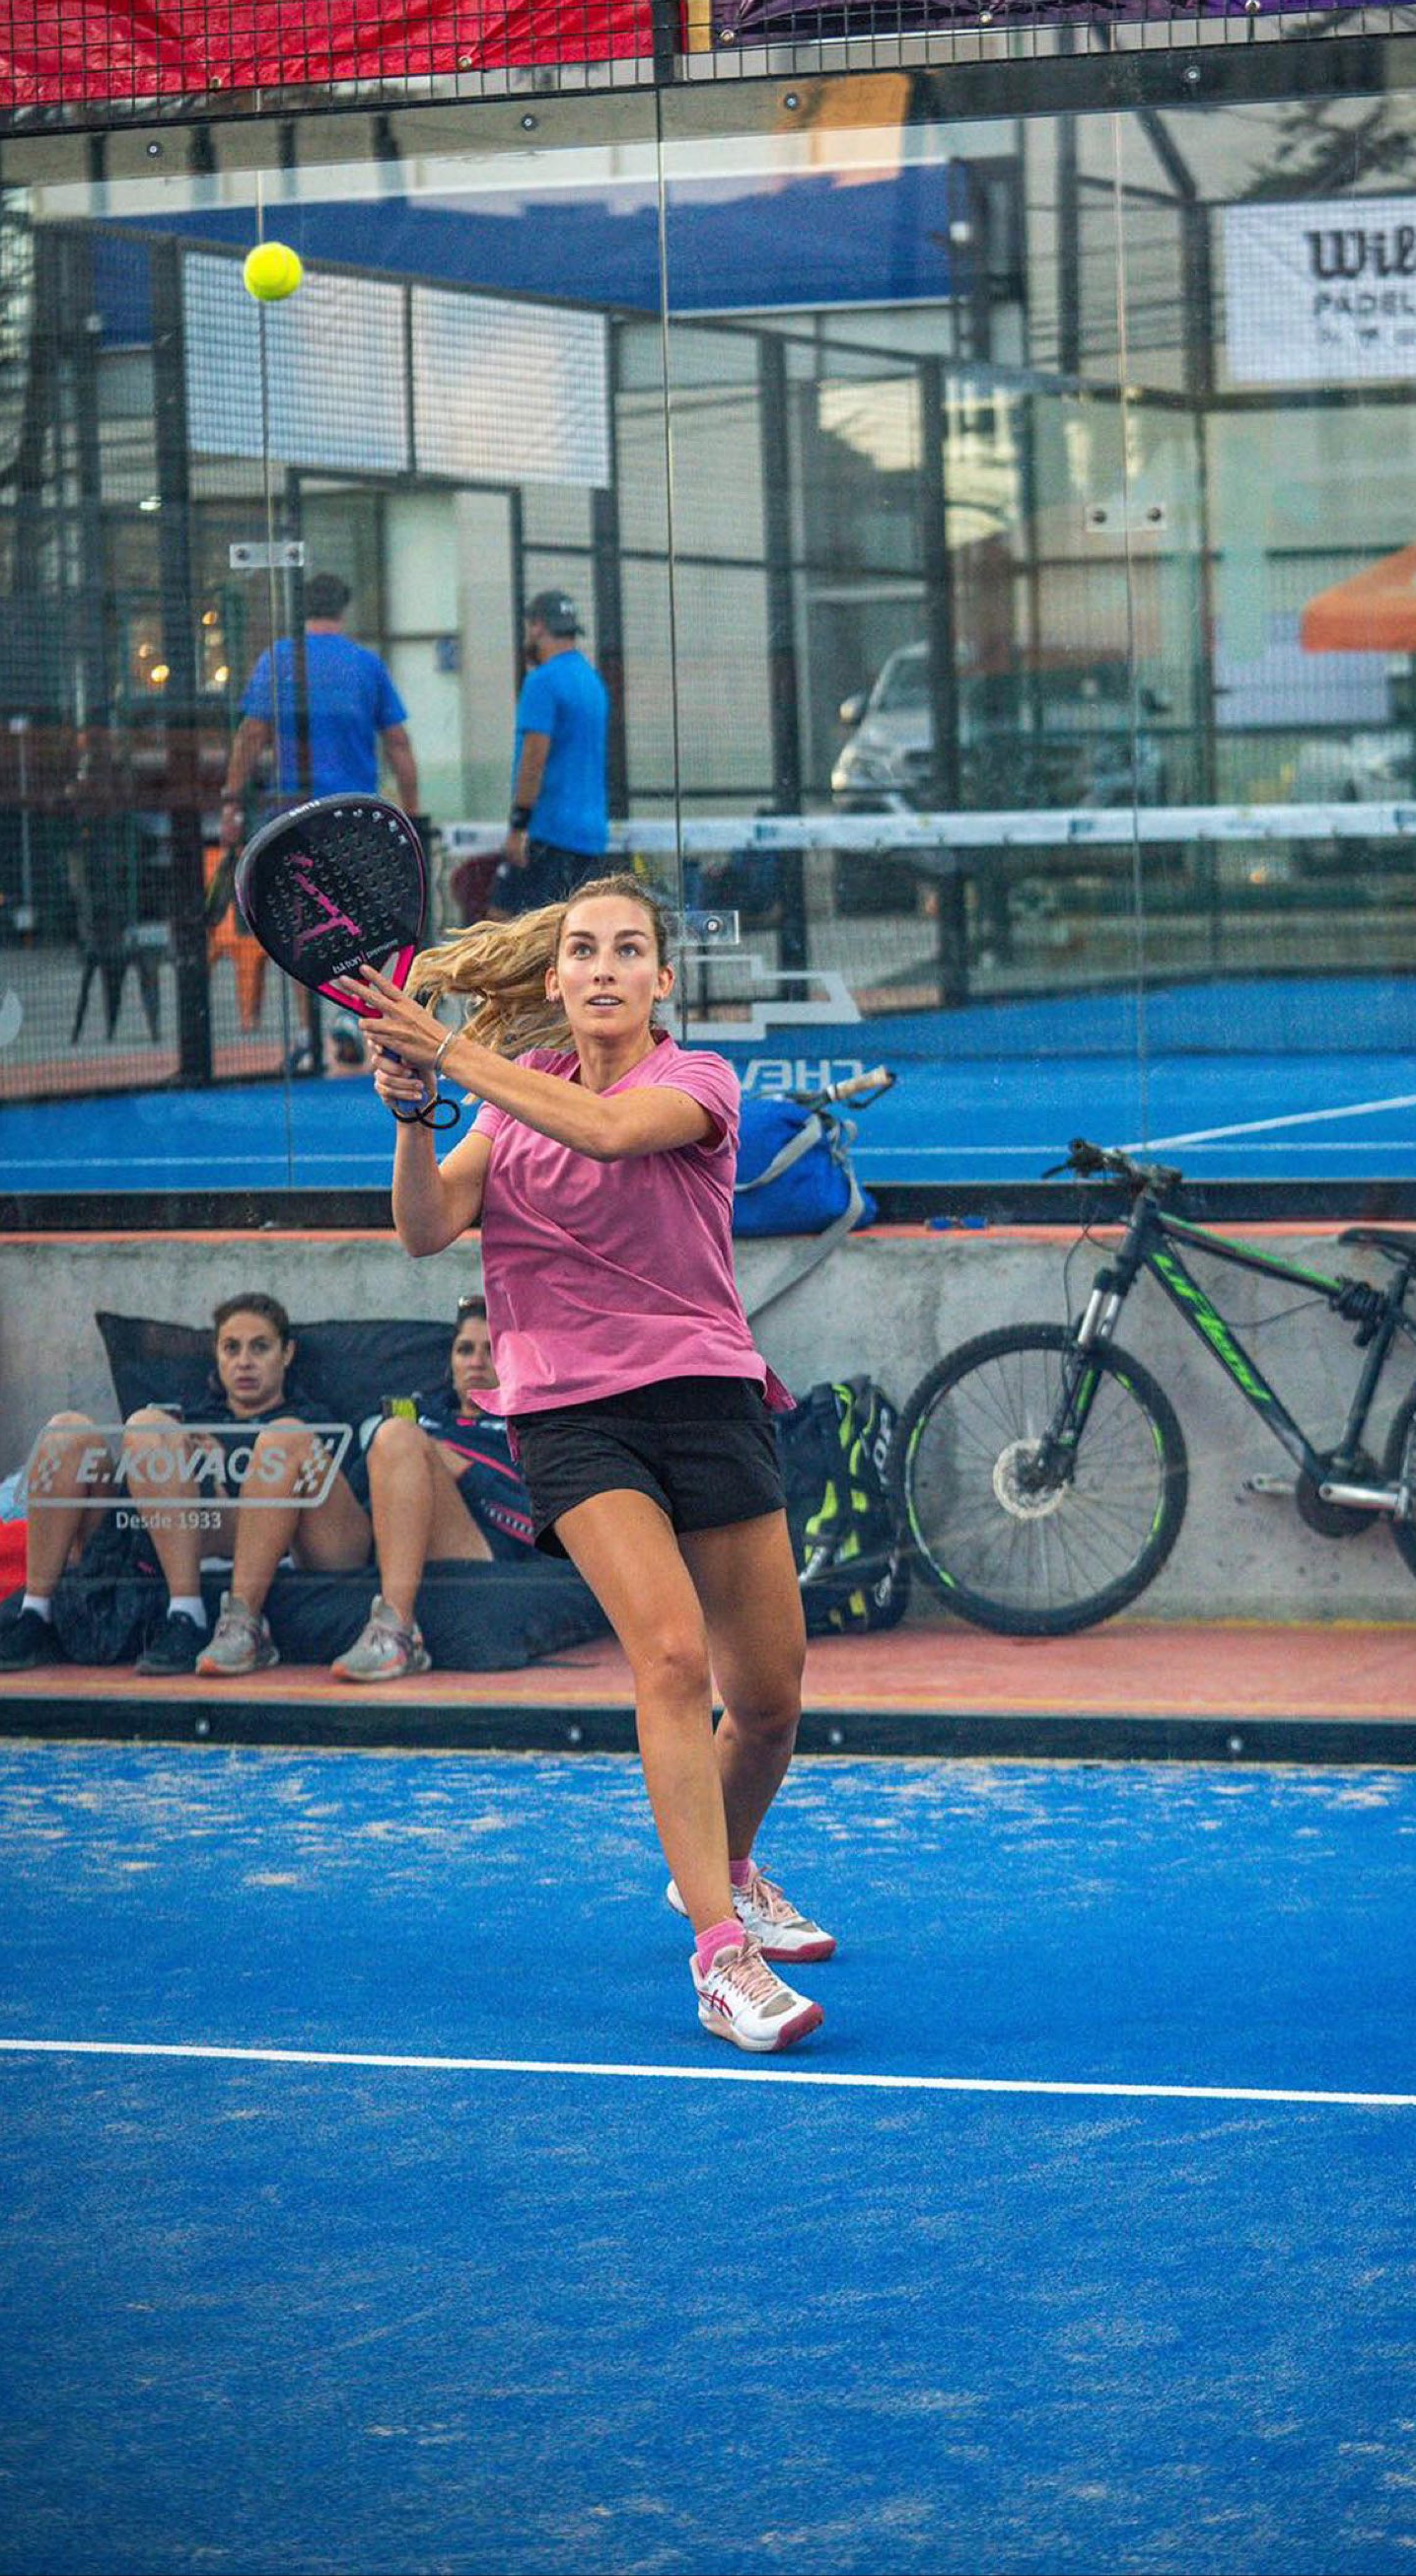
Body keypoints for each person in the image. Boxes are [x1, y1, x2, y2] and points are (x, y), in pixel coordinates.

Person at [355, 876, 832, 2055]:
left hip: (708, 1393)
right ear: (557, 976)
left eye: (628, 950)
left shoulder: (698, 1082)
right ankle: (719, 1955)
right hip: (571, 1411)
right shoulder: (507, 1100)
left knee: (768, 1702)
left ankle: (723, 1869)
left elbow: (610, 1133)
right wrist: (416, 1117)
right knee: (669, 1653)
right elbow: (424, 1228)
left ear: (661, 979)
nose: (604, 967)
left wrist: (447, 1056)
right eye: (582, 949)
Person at [0, 1293, 372, 1678]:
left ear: (286, 1353)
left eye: (259, 1347)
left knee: (282, 1439)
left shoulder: (316, 1423)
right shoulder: (186, 1421)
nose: (244, 1361)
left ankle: (191, 1613)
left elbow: (334, 1520)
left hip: (276, 1539)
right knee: (72, 1432)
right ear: (217, 1354)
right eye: (232, 1348)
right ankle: (35, 1612)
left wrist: (223, 1476)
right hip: (164, 1539)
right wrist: (186, 1467)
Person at [331, 1295, 538, 1683]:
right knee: (288, 1441)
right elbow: (358, 1489)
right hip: (381, 1534)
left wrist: (460, 1469)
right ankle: (241, 1622)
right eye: (465, 1350)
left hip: (475, 1544)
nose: (476, 1362)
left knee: (398, 1435)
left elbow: (533, 1525)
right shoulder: (422, 1414)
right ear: (451, 1362)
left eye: (491, 1351)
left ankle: (397, 1632)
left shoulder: (527, 1428)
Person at [219, 572, 420, 843]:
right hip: (355, 813)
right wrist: (411, 812)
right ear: (343, 610)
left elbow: (252, 735)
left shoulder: (278, 660)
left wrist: (231, 802)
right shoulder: (366, 664)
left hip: (293, 813)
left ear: (301, 609)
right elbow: (397, 743)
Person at [490, 590, 612, 916]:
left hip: (548, 832)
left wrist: (518, 827)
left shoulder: (542, 682)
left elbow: (534, 757)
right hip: (590, 837)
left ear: (538, 627)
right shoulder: (592, 682)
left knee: (499, 924)